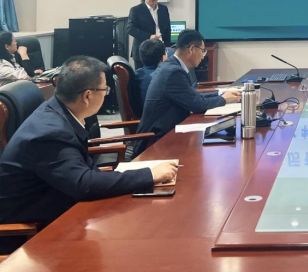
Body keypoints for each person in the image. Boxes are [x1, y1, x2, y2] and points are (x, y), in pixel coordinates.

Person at [0, 56, 177, 231]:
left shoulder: (57, 112)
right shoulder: (51, 133)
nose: (106, 94)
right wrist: (149, 175)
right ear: (87, 96)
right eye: (105, 90)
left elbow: (83, 174)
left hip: (59, 206)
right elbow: (84, 184)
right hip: (30, 232)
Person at [133, 30, 241, 157]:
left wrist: (222, 93)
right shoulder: (173, 72)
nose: (203, 56)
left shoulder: (171, 66)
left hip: (167, 133)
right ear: (192, 49)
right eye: (203, 51)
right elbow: (197, 105)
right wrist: (224, 99)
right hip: (154, 142)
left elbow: (193, 97)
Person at [127, 0, 171, 69]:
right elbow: (130, 29)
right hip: (143, 51)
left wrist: (167, 47)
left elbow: (168, 29)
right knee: (142, 75)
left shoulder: (163, 9)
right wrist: (149, 36)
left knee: (160, 74)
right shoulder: (136, 10)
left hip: (160, 50)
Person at [132, 39, 167, 118]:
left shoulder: (137, 73)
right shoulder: (162, 77)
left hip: (144, 118)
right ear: (163, 58)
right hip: (159, 120)